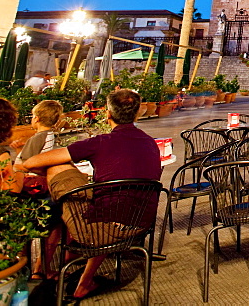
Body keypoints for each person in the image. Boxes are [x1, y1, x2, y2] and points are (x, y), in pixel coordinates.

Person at [16, 89, 162, 300]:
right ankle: (84, 281)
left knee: (57, 168)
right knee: (111, 200)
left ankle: (44, 264)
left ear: (108, 114)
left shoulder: (100, 142)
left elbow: (32, 162)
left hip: (103, 227)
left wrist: (25, 168)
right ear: (137, 113)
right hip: (140, 223)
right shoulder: (150, 143)